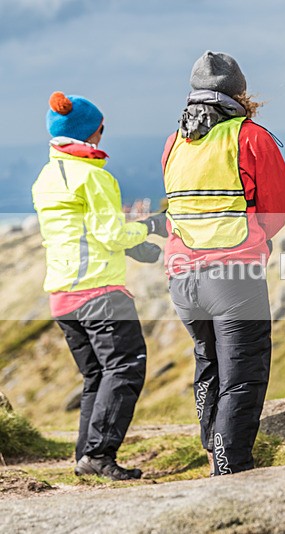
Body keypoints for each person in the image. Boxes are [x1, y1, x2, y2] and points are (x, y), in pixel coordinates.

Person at [162, 51, 285, 475]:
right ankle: (230, 467)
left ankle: (211, 449)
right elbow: (276, 211)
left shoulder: (174, 142)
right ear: (239, 93)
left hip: (182, 279)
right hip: (233, 277)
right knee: (243, 375)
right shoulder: (250, 137)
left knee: (208, 362)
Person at [32, 92, 166, 481]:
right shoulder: (94, 175)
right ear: (92, 131)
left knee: (97, 376)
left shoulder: (47, 177)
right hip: (99, 292)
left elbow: (85, 231)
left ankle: (85, 458)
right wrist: (151, 226)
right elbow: (109, 233)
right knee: (125, 367)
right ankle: (99, 454)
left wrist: (136, 244)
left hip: (62, 296)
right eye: (102, 127)